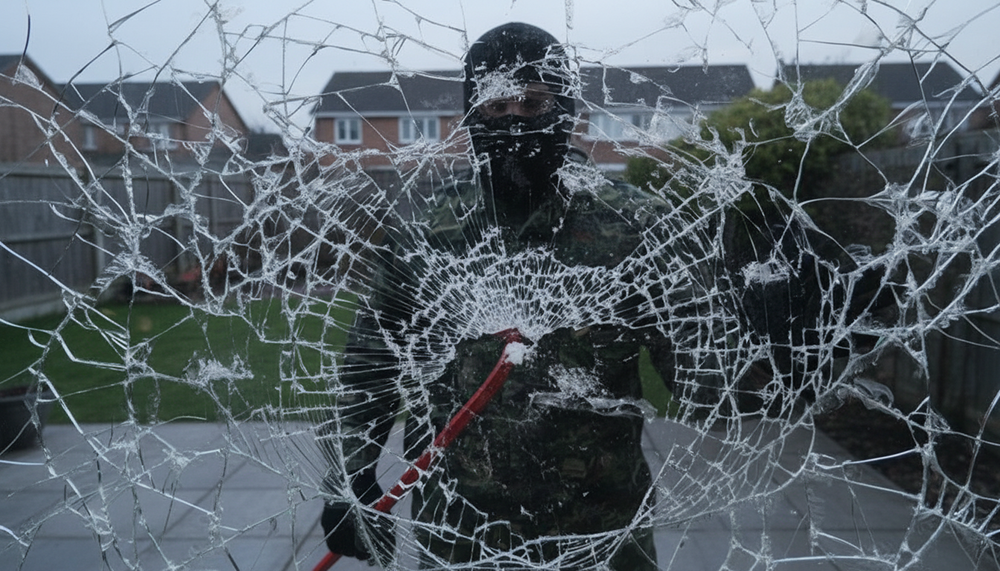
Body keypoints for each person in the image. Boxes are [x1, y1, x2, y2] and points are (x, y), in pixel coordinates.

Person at [318, 22, 726, 570]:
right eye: (494, 104)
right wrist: (350, 481)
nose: (513, 119)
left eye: (533, 103)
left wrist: (780, 343)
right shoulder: (428, 231)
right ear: (471, 115)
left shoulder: (633, 225)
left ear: (566, 108)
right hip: (458, 535)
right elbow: (371, 365)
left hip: (599, 539)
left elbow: (704, 382)